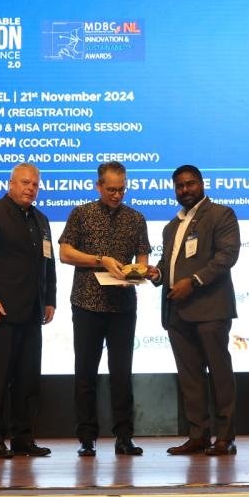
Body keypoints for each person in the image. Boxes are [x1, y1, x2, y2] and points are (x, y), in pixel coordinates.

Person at [146, 164, 241, 455]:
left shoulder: (221, 214)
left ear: (201, 183)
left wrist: (194, 281)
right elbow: (169, 265)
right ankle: (198, 435)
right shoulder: (171, 227)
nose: (185, 190)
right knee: (190, 378)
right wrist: (156, 273)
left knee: (219, 374)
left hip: (210, 308)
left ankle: (224, 437)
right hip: (177, 312)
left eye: (190, 184)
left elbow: (227, 256)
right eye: (179, 186)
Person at [58, 161, 151, 457]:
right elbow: (65, 253)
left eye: (122, 189)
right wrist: (101, 260)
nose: (117, 194)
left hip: (123, 305)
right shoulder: (81, 214)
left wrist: (135, 274)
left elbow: (143, 258)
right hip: (87, 303)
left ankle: (124, 437)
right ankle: (87, 438)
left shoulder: (136, 218)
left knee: (122, 373)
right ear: (98, 186)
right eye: (111, 189)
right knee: (85, 372)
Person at [0, 163, 56, 459]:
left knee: (28, 379)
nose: (30, 188)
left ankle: (23, 438)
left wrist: (50, 299)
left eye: (35, 184)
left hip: (32, 312)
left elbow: (48, 263)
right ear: (11, 184)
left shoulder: (41, 220)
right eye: (25, 182)